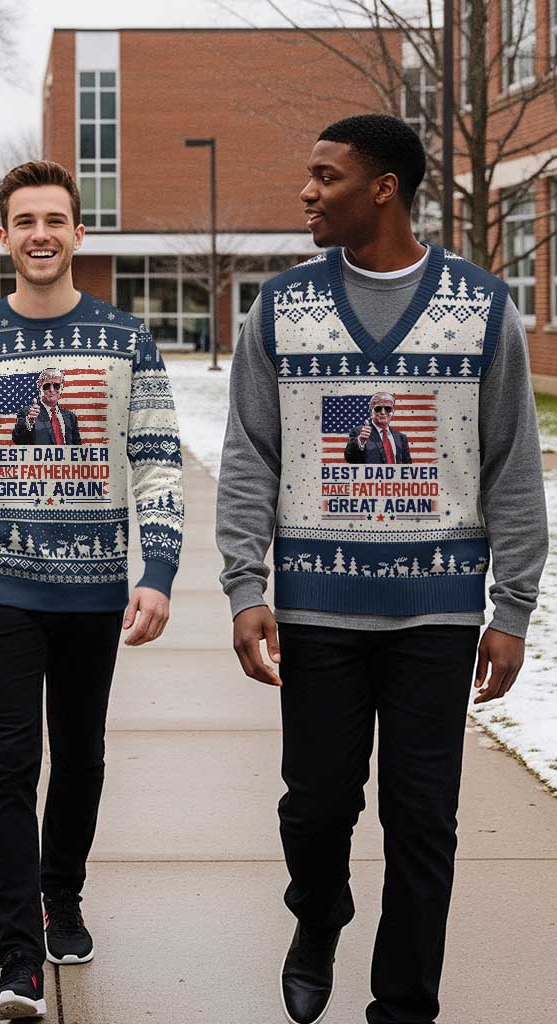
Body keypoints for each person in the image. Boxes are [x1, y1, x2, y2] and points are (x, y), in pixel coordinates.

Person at [217, 115, 546, 1024]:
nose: (307, 193)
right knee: (315, 811)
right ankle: (317, 914)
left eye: (325, 177)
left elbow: (513, 465)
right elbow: (250, 453)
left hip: (437, 619)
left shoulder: (480, 307)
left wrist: (512, 608)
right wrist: (247, 586)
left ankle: (403, 1005)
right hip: (318, 611)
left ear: (384, 188)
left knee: (422, 825)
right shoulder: (281, 308)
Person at [0, 160, 184, 1021]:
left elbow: (156, 460)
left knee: (82, 752)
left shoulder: (126, 340)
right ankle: (17, 960)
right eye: (24, 220)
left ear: (78, 232)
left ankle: (59, 895)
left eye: (55, 220)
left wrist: (160, 569)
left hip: (94, 585)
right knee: (9, 761)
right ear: (3, 236)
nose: (40, 234)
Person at [12, 367, 82, 445]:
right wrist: (29, 422)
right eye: (47, 386)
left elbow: (77, 447)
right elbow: (18, 440)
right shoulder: (29, 413)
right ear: (39, 387)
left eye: (56, 386)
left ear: (61, 388)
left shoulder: (70, 416)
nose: (52, 390)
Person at [344, 393, 412, 464]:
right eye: (378, 409)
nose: (383, 412)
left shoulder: (401, 438)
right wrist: (360, 442)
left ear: (393, 411)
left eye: (387, 409)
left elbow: (408, 467)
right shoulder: (360, 432)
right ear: (371, 411)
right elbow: (350, 458)